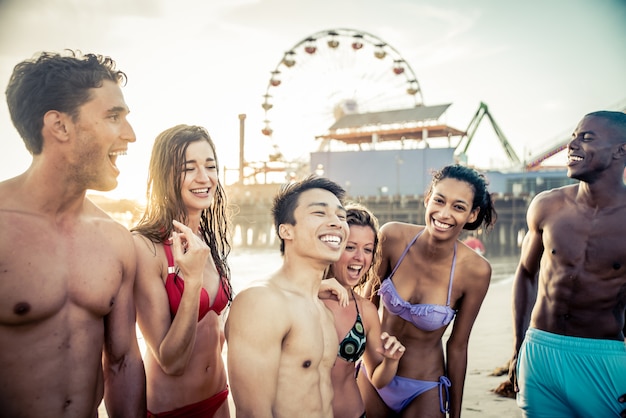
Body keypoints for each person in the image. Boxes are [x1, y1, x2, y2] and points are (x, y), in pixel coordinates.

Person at [0, 50, 146, 416]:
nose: (130, 135)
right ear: (60, 126)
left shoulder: (115, 238)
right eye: (114, 117)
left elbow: (123, 361)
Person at [508, 110, 626, 417]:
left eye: (586, 137)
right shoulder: (547, 205)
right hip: (540, 353)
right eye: (573, 135)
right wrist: (519, 347)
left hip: (604, 358)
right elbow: (525, 273)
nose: (571, 144)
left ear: (621, 150)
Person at [358, 164, 497, 418]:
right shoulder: (392, 237)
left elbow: (458, 346)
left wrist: (455, 415)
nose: (444, 214)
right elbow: (366, 307)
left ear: (472, 214)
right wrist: (359, 368)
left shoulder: (475, 271)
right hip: (372, 371)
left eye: (458, 207)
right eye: (439, 200)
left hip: (423, 386)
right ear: (427, 199)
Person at [225, 175, 350, 418]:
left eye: (341, 216)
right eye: (320, 213)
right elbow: (253, 412)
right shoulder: (261, 302)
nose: (336, 222)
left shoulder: (322, 308)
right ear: (286, 231)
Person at [132, 124, 234, 417]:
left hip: (220, 397)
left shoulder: (206, 240)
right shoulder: (146, 247)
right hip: (174, 409)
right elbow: (170, 362)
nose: (204, 178)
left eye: (210, 166)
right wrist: (192, 284)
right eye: (189, 168)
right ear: (166, 175)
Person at [320, 203, 405, 418]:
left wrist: (391, 360)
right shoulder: (302, 297)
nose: (360, 257)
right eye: (350, 247)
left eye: (367, 249)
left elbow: (377, 377)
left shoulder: (365, 310)